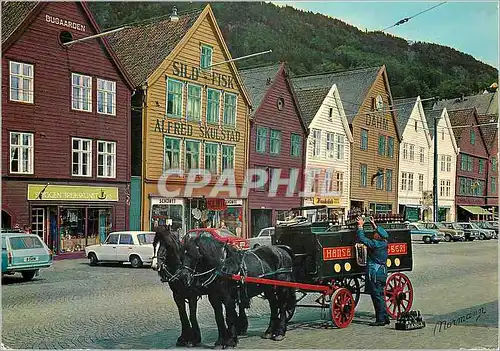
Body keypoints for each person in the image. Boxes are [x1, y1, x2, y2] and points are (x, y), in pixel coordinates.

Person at [356, 216, 390, 326]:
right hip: (382, 272)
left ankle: (380, 319)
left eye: (375, 233)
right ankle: (385, 317)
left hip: (375, 273)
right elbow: (379, 232)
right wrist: (373, 224)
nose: (373, 234)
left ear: (377, 236)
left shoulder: (375, 244)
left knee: (376, 297)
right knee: (380, 295)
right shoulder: (384, 242)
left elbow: (363, 239)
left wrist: (360, 226)